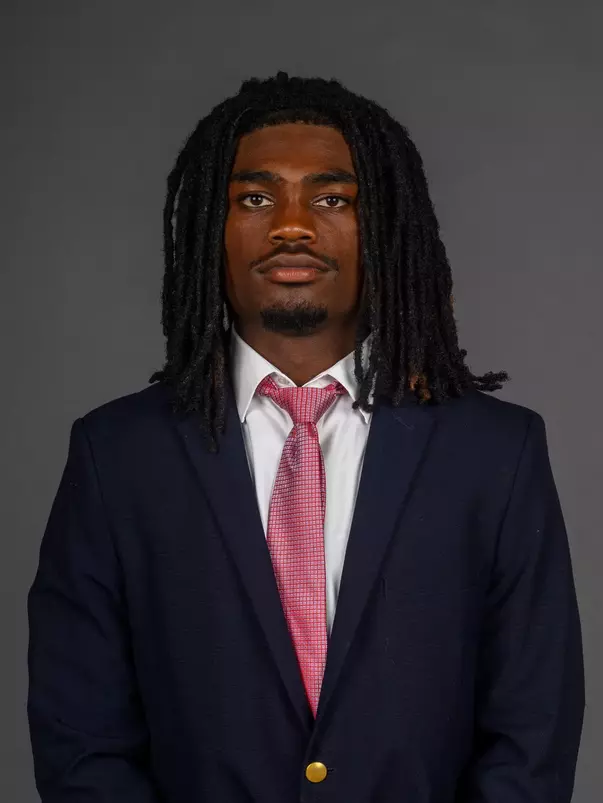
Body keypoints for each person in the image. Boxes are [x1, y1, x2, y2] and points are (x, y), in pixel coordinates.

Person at [27, 72, 585, 803]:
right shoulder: (117, 455)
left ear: (385, 227)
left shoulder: (493, 453)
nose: (291, 224)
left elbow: (532, 728)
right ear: (207, 229)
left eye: (332, 199)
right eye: (254, 199)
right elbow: (81, 739)